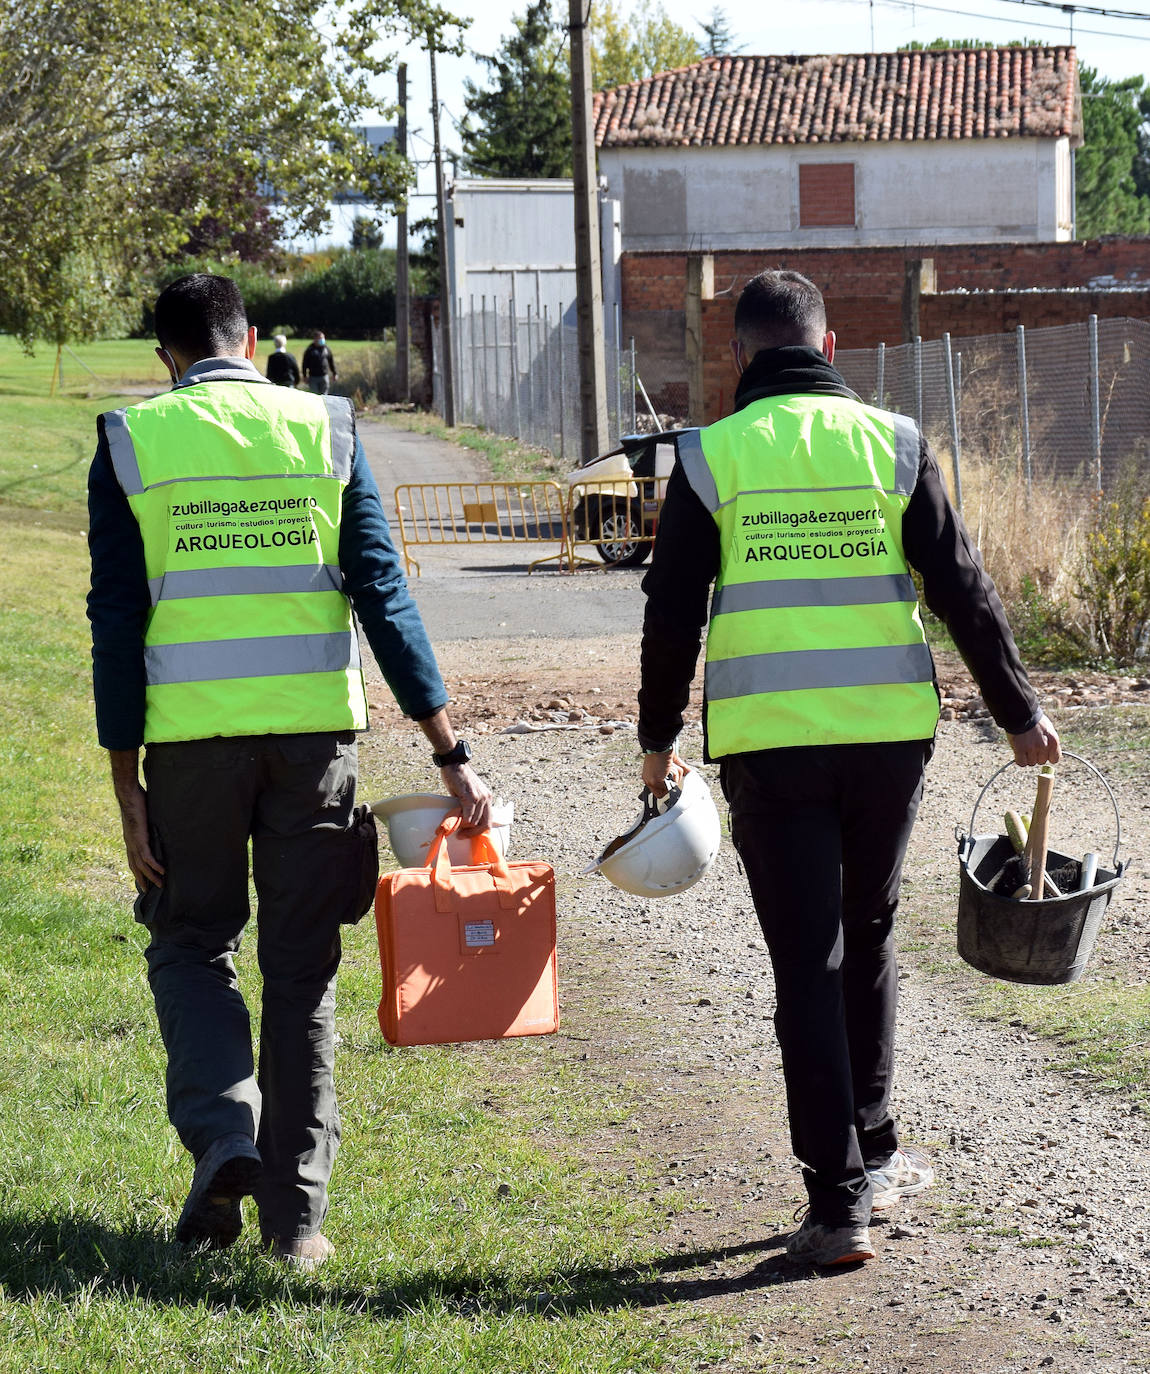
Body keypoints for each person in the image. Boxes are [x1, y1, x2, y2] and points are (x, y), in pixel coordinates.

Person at [636, 270, 1060, 1269]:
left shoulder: (708, 459)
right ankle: (872, 1147)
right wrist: (1019, 715)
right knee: (864, 934)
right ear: (828, 349)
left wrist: (656, 743)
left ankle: (836, 1207)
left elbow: (671, 612)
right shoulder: (895, 442)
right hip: (886, 741)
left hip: (770, 745)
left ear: (741, 357)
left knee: (805, 962)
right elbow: (961, 585)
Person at [87, 274, 490, 1268]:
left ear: (166, 356)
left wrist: (123, 781)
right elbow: (383, 597)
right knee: (300, 974)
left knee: (191, 944)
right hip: (314, 748)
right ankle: (296, 1227)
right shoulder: (327, 430)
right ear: (252, 336)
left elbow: (115, 620)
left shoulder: (132, 442)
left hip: (188, 748)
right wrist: (449, 752)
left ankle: (227, 1134)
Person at [302, 330, 337, 395]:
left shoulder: (326, 349)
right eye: (320, 338)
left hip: (324, 377)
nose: (322, 340)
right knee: (314, 396)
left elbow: (331, 361)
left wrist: (334, 373)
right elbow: (304, 364)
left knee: (324, 396)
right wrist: (304, 376)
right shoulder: (310, 350)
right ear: (315, 339)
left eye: (323, 338)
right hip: (313, 378)